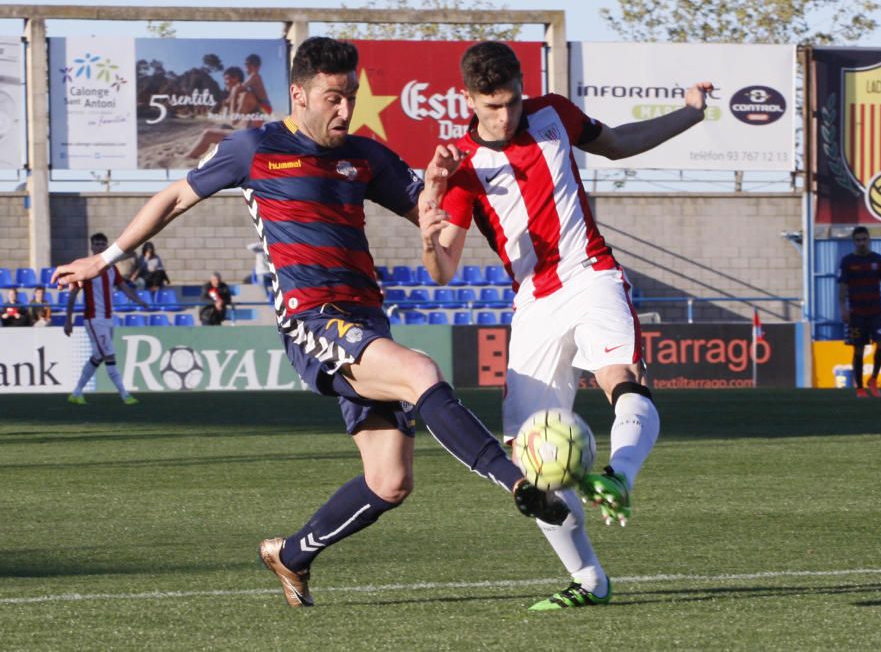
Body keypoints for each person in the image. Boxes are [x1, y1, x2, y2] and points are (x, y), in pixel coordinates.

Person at [53, 36, 567, 609]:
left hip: (366, 319)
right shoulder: (253, 148)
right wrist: (104, 259)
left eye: (350, 96)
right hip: (312, 319)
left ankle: (292, 554)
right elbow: (175, 198)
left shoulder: (366, 157)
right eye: (333, 98)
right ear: (298, 94)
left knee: (390, 481)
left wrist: (441, 188)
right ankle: (519, 484)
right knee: (420, 370)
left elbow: (433, 212)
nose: (345, 110)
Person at [419, 40, 713, 610]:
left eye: (510, 102)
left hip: (590, 272)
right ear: (468, 99)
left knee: (621, 375)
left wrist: (691, 112)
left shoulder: (554, 113)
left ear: (522, 87)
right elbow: (444, 270)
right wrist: (428, 231)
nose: (504, 117)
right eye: (491, 107)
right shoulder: (457, 165)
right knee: (531, 465)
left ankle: (618, 476)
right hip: (532, 303)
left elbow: (621, 145)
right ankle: (589, 580)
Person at [64, 232, 150, 405]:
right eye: (96, 244)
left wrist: (139, 300)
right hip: (94, 319)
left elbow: (124, 287)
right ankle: (125, 395)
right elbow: (73, 294)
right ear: (91, 246)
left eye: (102, 244)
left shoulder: (111, 268)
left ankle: (76, 393)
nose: (99, 246)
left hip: (109, 319)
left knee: (98, 356)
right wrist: (68, 319)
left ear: (106, 246)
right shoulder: (86, 269)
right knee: (109, 355)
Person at [837, 225, 881, 398]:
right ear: (853, 242)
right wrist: (843, 308)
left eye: (864, 239)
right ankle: (859, 388)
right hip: (857, 313)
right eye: (858, 240)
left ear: (869, 240)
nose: (862, 243)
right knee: (858, 349)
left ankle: (873, 379)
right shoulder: (847, 262)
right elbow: (842, 288)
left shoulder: (878, 260)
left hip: (876, 313)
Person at [185, 66, 262, 160]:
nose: (227, 82)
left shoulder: (245, 96)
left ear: (238, 80)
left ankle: (188, 157)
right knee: (221, 127)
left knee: (208, 134)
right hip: (245, 136)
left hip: (252, 143)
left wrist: (233, 95)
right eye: (226, 79)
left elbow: (234, 120)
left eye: (230, 78)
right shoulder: (239, 96)